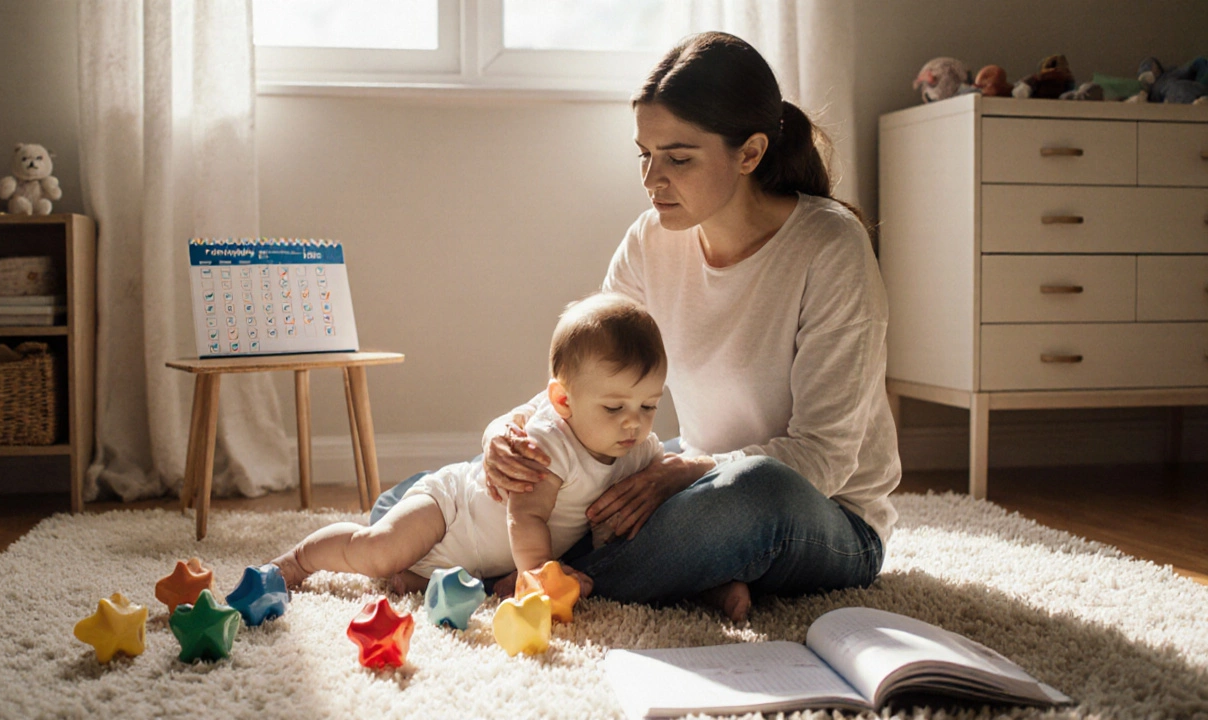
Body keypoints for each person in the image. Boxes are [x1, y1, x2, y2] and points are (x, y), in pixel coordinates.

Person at [373, 31, 901, 622]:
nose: (652, 180)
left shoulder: (831, 246)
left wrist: (681, 473)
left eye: (678, 158)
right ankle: (682, 575)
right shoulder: (651, 239)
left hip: (819, 514)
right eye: (644, 155)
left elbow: (824, 460)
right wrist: (510, 433)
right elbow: (589, 376)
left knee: (751, 491)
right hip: (696, 471)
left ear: (750, 153)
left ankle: (518, 579)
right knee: (446, 491)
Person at [271, 293, 668, 595]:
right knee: (379, 551)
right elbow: (525, 518)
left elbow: (672, 471)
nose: (633, 422)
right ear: (563, 400)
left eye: (649, 404)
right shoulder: (547, 444)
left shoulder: (637, 450)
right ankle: (298, 561)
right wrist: (539, 578)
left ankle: (418, 575)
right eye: (614, 407)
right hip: (451, 511)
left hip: (477, 558)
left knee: (422, 582)